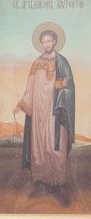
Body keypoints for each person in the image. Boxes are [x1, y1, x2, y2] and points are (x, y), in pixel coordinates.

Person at [16, 27, 76, 207]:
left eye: (50, 40)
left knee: (57, 148)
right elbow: (30, 87)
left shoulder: (62, 62)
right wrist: (22, 104)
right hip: (38, 114)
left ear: (55, 42)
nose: (47, 44)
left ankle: (59, 186)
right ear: (41, 43)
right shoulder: (36, 63)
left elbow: (69, 86)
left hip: (55, 112)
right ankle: (41, 185)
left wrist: (60, 87)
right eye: (44, 41)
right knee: (39, 148)